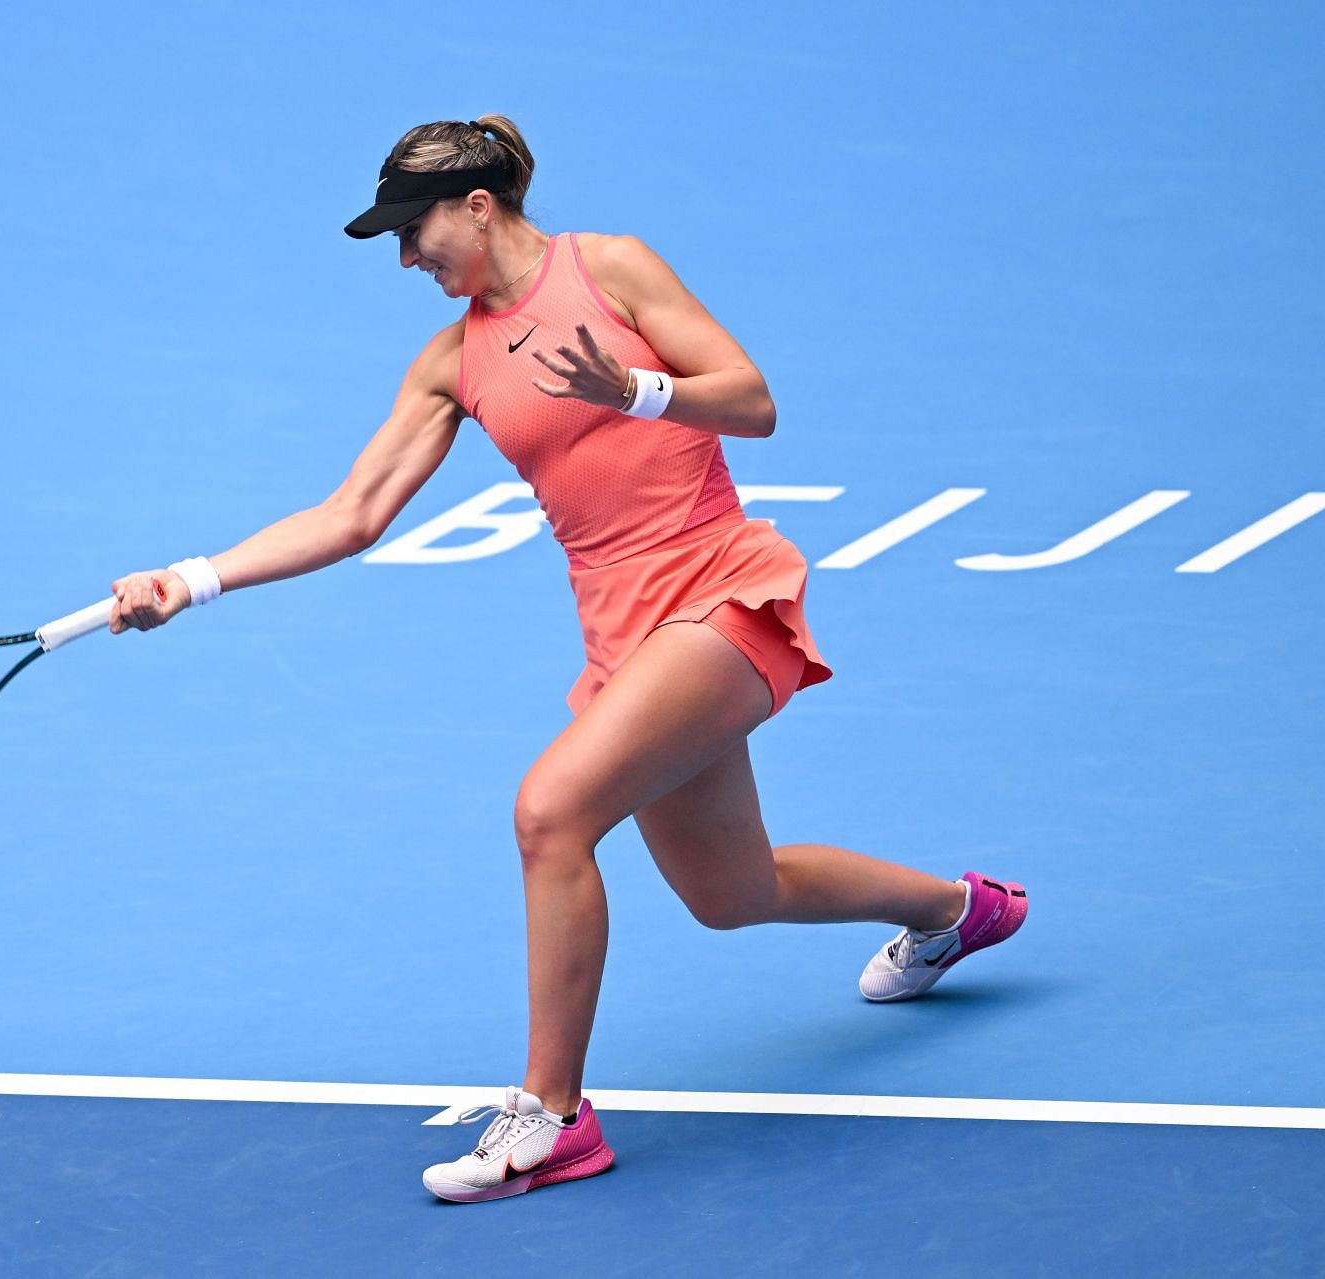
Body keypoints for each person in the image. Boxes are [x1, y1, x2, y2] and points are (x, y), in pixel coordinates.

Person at [107, 115, 1028, 1203]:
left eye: (414, 231)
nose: (407, 258)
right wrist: (191, 577)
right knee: (734, 891)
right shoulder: (453, 359)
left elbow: (756, 401)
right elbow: (353, 512)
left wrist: (635, 391)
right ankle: (958, 910)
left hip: (724, 592)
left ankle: (554, 1116)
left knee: (551, 811)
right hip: (626, 637)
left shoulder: (614, 268)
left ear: (479, 206)